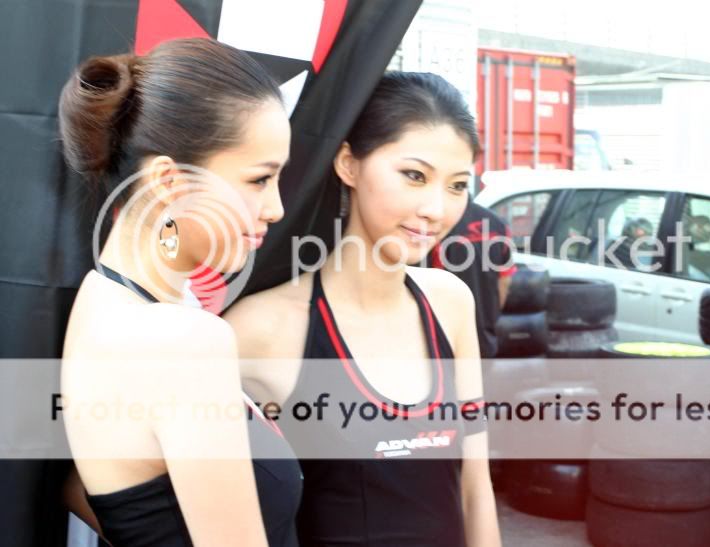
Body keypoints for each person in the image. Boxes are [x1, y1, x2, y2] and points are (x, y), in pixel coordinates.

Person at [224, 72, 502, 547]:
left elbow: (475, 487)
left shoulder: (450, 302)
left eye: (458, 185)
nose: (436, 209)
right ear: (349, 164)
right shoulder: (260, 328)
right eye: (414, 175)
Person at [59, 38, 299, 546]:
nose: (276, 208)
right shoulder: (183, 342)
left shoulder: (103, 300)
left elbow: (89, 489)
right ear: (169, 181)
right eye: (259, 180)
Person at [421, 199, 517, 358]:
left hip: (443, 339)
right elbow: (504, 281)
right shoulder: (497, 224)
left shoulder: (435, 225)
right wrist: (490, 316)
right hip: (484, 337)